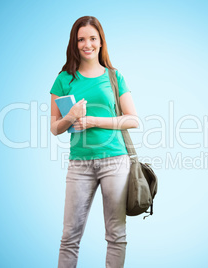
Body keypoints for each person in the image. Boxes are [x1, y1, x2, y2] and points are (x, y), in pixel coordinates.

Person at [49, 16, 139, 268]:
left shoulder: (114, 76)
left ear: (100, 42)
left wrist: (92, 121)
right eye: (81, 39)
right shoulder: (64, 79)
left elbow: (133, 120)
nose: (86, 44)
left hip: (115, 161)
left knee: (116, 236)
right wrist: (71, 117)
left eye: (92, 38)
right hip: (80, 164)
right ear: (74, 43)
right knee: (69, 237)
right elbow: (55, 128)